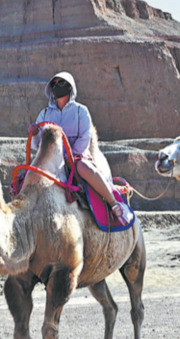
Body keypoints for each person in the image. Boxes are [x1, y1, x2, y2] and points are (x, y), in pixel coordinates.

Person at [31, 72, 131, 226]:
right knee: (28, 176)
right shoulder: (44, 114)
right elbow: (37, 145)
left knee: (83, 168)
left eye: (61, 83)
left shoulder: (81, 111)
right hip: (51, 159)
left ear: (70, 87)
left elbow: (85, 136)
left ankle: (115, 204)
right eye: (54, 84)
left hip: (76, 156)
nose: (57, 87)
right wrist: (35, 134)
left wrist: (69, 157)